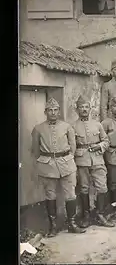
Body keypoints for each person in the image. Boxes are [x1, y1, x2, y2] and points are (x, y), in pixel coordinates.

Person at [31, 98, 86, 237]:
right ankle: (53, 226)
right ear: (45, 112)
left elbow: (73, 146)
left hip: (66, 164)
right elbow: (35, 150)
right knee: (50, 195)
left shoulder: (67, 127)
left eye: (55, 110)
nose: (53, 112)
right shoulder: (38, 128)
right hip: (47, 165)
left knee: (70, 194)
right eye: (50, 110)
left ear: (59, 111)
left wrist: (67, 158)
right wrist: (44, 160)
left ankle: (72, 224)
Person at [72, 95, 114, 228]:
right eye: (81, 107)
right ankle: (86, 216)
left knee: (102, 186)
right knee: (84, 188)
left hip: (97, 159)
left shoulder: (97, 124)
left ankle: (100, 214)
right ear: (77, 109)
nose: (84, 110)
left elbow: (107, 141)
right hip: (81, 160)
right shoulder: (72, 126)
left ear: (90, 109)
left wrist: (99, 146)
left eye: (86, 107)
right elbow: (71, 145)